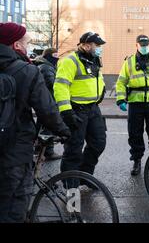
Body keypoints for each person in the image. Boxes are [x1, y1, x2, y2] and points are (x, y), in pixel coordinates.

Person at [0, 23, 71, 223]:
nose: (29, 46)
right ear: (16, 45)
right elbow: (47, 110)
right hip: (14, 151)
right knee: (14, 208)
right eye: (27, 42)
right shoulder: (26, 70)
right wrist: (64, 131)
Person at [54, 32, 107, 177]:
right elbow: (61, 86)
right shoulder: (70, 61)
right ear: (86, 45)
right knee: (74, 149)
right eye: (97, 45)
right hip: (77, 110)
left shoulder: (94, 60)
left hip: (93, 109)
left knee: (98, 143)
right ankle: (71, 184)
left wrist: (101, 92)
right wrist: (66, 111)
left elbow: (97, 79)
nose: (100, 48)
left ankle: (85, 176)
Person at [116, 35, 149, 176]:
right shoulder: (129, 62)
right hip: (135, 102)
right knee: (135, 133)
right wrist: (121, 99)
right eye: (142, 45)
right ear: (137, 45)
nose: (145, 47)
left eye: (147, 45)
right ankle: (137, 160)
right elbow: (121, 82)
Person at [33, 47, 62, 160]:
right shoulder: (46, 67)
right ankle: (48, 151)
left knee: (41, 125)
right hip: (48, 101)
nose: (57, 58)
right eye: (55, 56)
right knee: (48, 126)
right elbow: (52, 84)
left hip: (44, 100)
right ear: (48, 56)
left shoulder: (45, 65)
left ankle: (38, 148)